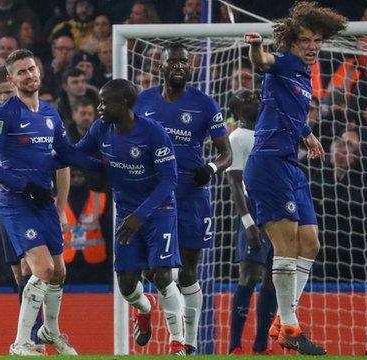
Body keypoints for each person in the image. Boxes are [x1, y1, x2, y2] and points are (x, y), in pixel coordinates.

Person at [243, 1, 347, 354]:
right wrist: (256, 48)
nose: (312, 46)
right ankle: (289, 325)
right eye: (305, 39)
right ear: (291, 42)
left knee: (312, 244)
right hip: (269, 164)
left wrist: (307, 132)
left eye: (317, 39)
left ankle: (282, 320)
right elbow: (264, 63)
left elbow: (288, 108)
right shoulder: (284, 62)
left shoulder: (303, 75)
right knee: (286, 247)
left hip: (291, 165)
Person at [0, 49, 93, 356]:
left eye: (32, 69)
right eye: (22, 72)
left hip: (44, 201)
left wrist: (97, 155)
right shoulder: (2, 117)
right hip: (17, 204)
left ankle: (50, 331)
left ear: (39, 71)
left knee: (59, 272)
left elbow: (64, 154)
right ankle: (21, 342)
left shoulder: (50, 113)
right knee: (42, 269)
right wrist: (25, 185)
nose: (29, 75)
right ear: (11, 79)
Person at [64, 78, 185, 353]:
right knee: (128, 286)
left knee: (162, 275)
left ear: (125, 104)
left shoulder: (154, 133)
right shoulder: (101, 129)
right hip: (127, 213)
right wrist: (53, 148)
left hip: (159, 211)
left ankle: (178, 343)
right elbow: (77, 156)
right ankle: (144, 309)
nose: (100, 106)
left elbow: (169, 181)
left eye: (106, 102)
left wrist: (140, 215)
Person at [135, 42, 233, 354]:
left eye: (184, 62)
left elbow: (226, 152)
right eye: (173, 61)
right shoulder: (143, 101)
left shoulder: (205, 104)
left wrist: (212, 167)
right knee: (154, 270)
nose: (179, 66)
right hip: (153, 195)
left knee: (189, 268)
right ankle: (146, 307)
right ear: (159, 67)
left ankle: (187, 343)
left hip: (192, 194)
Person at [225, 89, 276, 355]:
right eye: (246, 98)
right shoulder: (237, 137)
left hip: (276, 212)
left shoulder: (269, 133)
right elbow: (234, 182)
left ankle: (261, 346)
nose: (254, 98)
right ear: (236, 110)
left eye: (255, 95)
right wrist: (247, 222)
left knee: (272, 278)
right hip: (253, 214)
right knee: (249, 275)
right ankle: (234, 345)